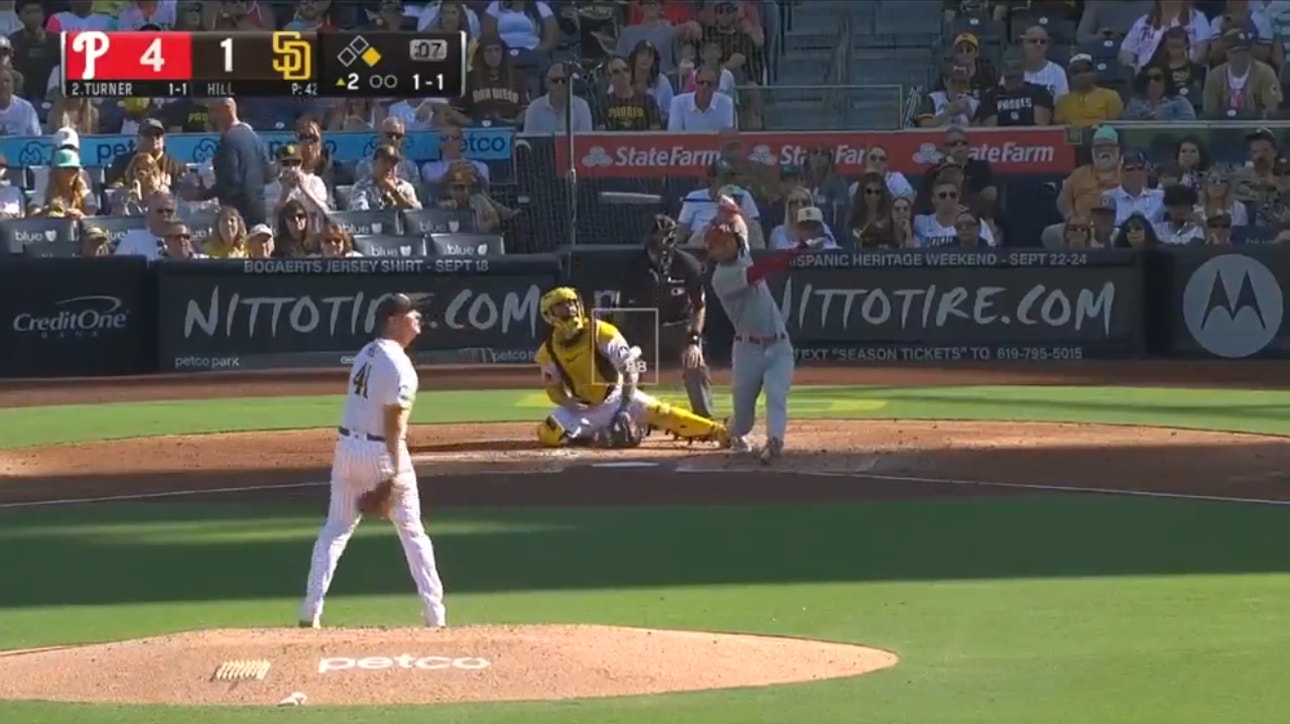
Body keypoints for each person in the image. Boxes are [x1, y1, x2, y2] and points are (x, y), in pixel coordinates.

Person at [299, 293, 448, 630]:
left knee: (334, 531)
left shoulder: (366, 352)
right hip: (382, 452)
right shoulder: (401, 367)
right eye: (412, 315)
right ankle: (435, 617)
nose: (419, 321)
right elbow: (395, 426)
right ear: (393, 321)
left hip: (347, 450)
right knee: (412, 533)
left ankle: (310, 610)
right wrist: (393, 476)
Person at [533, 286, 729, 448]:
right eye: (561, 306)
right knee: (547, 434)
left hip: (618, 397)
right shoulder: (547, 351)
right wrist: (569, 403)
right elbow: (553, 390)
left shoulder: (603, 332)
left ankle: (716, 430)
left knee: (663, 412)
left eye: (573, 303)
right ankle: (597, 435)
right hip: (583, 407)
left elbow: (630, 370)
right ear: (549, 315)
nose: (571, 309)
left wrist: (625, 408)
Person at [705, 196, 814, 463]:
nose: (725, 246)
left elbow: (737, 221)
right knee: (743, 422)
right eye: (720, 245)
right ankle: (728, 430)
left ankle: (775, 440)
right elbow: (759, 272)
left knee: (777, 395)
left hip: (779, 346)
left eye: (727, 241)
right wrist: (793, 253)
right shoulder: (721, 277)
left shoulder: (742, 251)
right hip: (747, 351)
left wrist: (727, 208)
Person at [611, 214, 714, 420]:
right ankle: (628, 416)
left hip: (679, 327)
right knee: (631, 365)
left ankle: (704, 418)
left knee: (696, 362)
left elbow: (699, 306)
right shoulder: (633, 267)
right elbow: (622, 310)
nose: (661, 253)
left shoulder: (688, 265)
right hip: (643, 328)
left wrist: (694, 339)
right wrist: (617, 345)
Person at [184, 98, 268, 226]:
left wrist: (199, 195)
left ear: (227, 109)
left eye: (213, 110)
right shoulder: (255, 138)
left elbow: (228, 184)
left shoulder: (228, 140)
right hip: (259, 214)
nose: (210, 116)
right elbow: (268, 173)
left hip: (238, 219)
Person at [1202, 29, 1281, 118]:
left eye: (1245, 51)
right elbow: (1209, 113)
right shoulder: (1215, 76)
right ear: (1227, 53)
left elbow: (1271, 109)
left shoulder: (1265, 73)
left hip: (1257, 129)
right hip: (1222, 129)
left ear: (1250, 52)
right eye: (1236, 52)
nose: (1241, 55)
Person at [106, 118, 186, 187]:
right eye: (148, 134)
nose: (154, 138)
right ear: (138, 138)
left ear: (164, 140)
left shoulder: (176, 166)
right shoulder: (122, 162)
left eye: (157, 135)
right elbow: (114, 187)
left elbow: (183, 193)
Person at [522, 61, 593, 133]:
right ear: (547, 83)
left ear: (571, 83)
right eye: (555, 81)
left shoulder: (582, 107)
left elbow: (586, 141)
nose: (560, 85)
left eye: (564, 81)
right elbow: (529, 141)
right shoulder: (534, 108)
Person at [596, 54, 663, 130]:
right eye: (616, 72)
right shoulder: (604, 103)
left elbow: (655, 134)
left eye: (626, 70)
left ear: (631, 73)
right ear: (609, 77)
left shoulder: (648, 101)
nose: (623, 74)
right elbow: (600, 135)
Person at [988, 51, 1054, 126]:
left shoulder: (1039, 92)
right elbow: (990, 129)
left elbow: (1041, 127)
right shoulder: (991, 96)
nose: (1012, 66)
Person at [114, 190, 176, 259]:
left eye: (169, 211)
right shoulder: (132, 239)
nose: (165, 215)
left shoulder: (183, 241)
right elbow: (118, 268)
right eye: (160, 211)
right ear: (149, 215)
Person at [1123, 63, 1197, 119]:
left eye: (1157, 78)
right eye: (1148, 78)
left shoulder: (1179, 101)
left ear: (1166, 81)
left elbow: (1190, 125)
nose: (1152, 82)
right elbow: (1127, 125)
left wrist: (1165, 121)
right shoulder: (1135, 102)